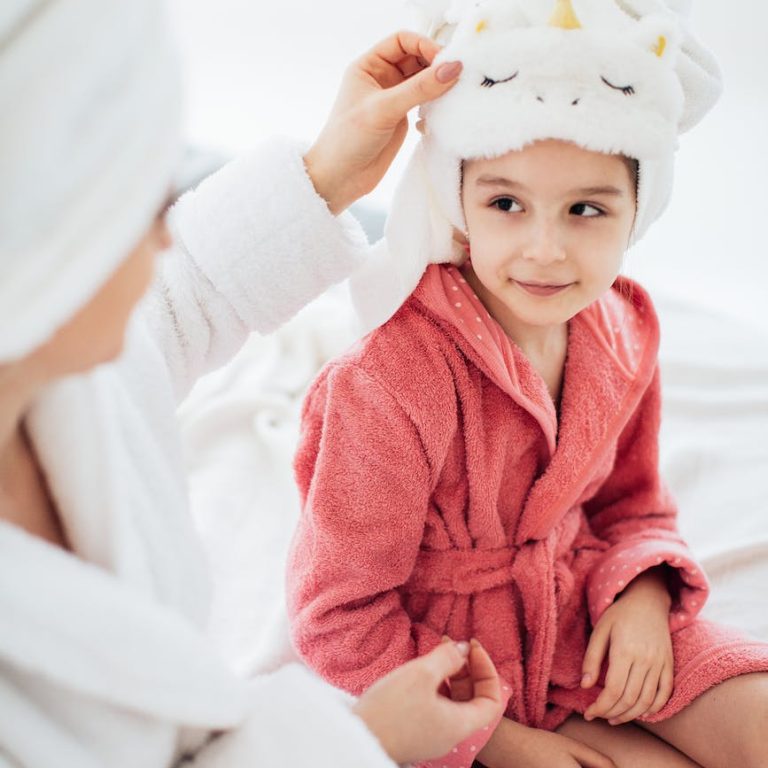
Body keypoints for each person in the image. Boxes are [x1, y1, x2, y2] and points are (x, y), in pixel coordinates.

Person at [0, 1, 507, 766]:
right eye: (144, 204)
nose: (166, 232)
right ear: (47, 247)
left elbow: (170, 305)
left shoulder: (54, 367)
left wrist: (326, 171)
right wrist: (361, 744)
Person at [286, 1, 768, 767]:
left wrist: (644, 593)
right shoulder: (387, 383)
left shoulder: (624, 328)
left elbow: (633, 503)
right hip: (456, 664)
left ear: (640, 210)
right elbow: (337, 617)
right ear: (461, 203)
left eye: (586, 209)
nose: (544, 250)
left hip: (586, 609)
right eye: (506, 203)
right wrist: (492, 740)